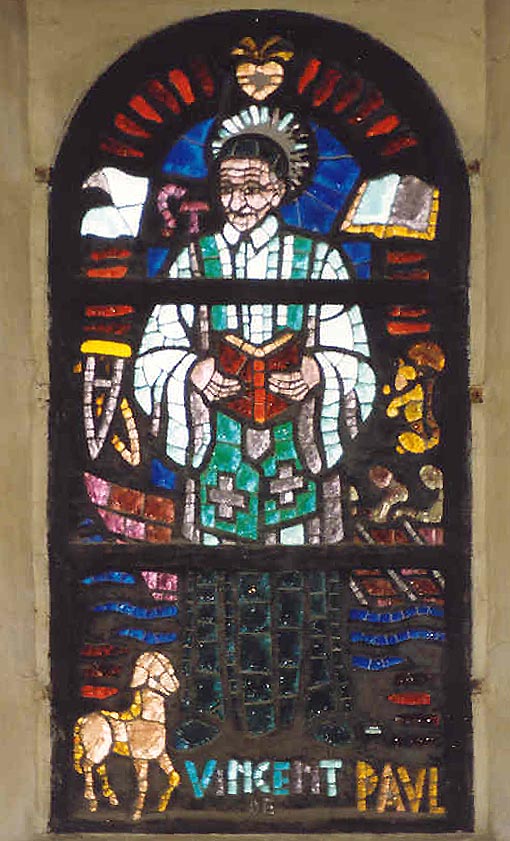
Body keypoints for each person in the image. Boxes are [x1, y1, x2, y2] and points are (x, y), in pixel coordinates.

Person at [134, 107, 376, 545]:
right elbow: (153, 355)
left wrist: (317, 372)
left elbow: (355, 359)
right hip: (217, 454)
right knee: (214, 566)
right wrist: (193, 372)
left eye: (252, 189)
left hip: (298, 454)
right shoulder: (192, 261)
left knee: (301, 562)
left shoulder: (320, 260)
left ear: (279, 191)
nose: (237, 202)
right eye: (227, 189)